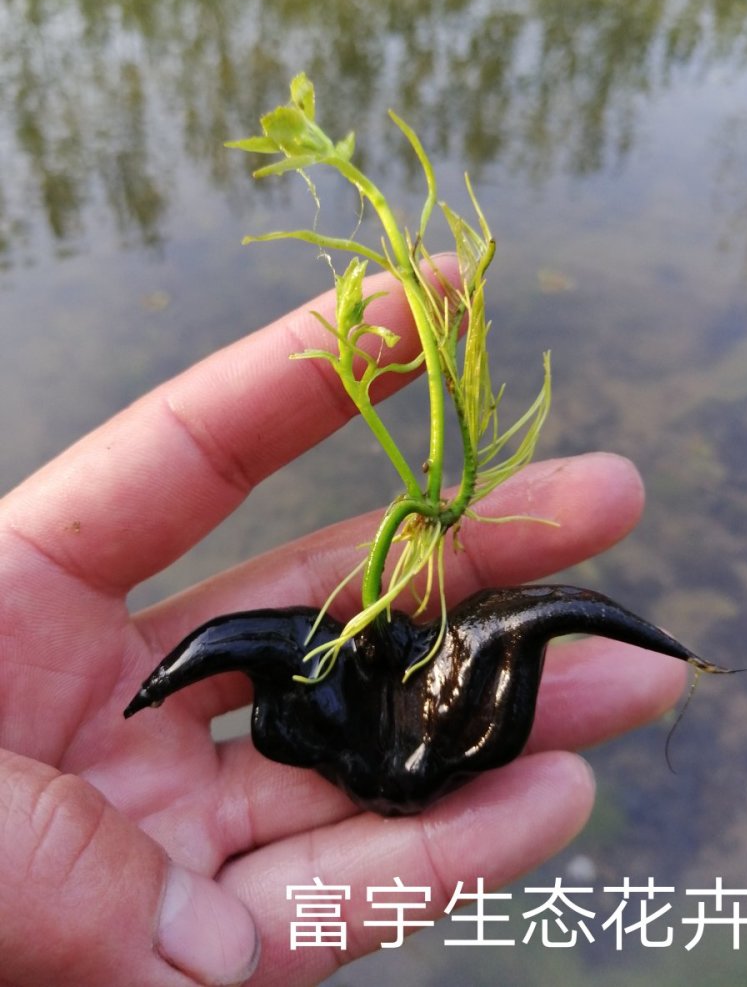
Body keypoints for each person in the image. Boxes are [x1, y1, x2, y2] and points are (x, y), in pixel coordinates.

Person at [0, 255, 686, 986]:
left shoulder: (400, 662)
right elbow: (246, 644)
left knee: (520, 620)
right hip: (364, 726)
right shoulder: (342, 656)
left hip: (380, 731)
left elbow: (536, 618)